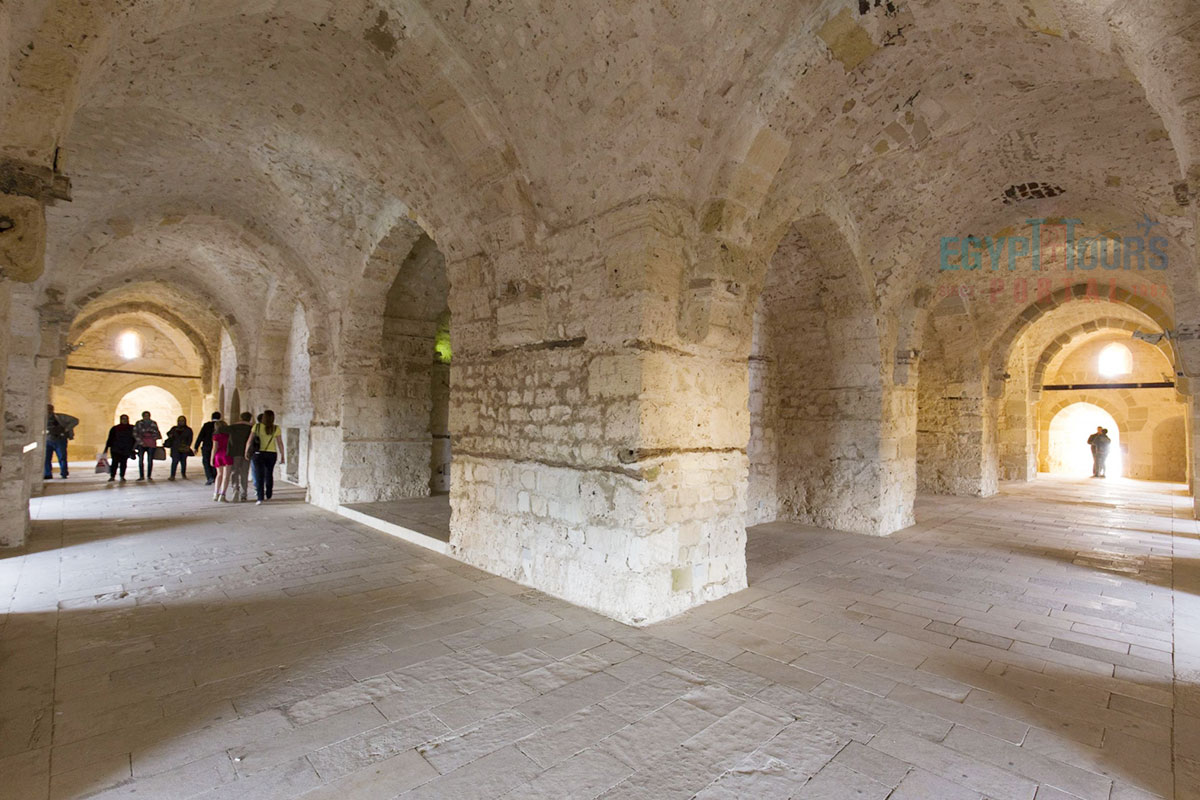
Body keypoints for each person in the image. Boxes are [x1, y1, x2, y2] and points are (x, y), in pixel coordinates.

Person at [247, 409, 285, 505]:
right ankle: (269, 494)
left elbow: (249, 440)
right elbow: (280, 443)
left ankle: (260, 497)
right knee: (269, 473)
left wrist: (246, 451)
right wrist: (283, 455)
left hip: (258, 453)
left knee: (259, 475)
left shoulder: (257, 427)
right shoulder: (276, 428)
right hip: (271, 453)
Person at [226, 412, 254, 502]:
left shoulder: (232, 427)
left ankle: (235, 490)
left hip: (235, 452)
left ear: (240, 418)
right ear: (250, 419)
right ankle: (244, 494)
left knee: (235, 471)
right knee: (244, 473)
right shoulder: (251, 428)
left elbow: (220, 431)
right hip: (246, 453)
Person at [103, 414, 136, 482]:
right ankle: (112, 476)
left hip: (126, 448)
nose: (124, 420)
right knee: (114, 463)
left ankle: (122, 476)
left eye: (126, 419)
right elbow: (110, 438)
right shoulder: (115, 428)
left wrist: (134, 448)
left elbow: (134, 438)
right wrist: (106, 448)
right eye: (123, 419)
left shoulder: (131, 428)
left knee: (123, 463)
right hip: (116, 448)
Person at [43, 403, 71, 479]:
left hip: (59, 440)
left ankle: (64, 472)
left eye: (49, 409)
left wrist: (67, 428)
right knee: (46, 458)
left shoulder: (59, 417)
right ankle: (47, 473)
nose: (48, 411)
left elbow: (75, 421)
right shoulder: (43, 418)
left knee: (62, 457)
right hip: (47, 440)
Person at [193, 412, 222, 485]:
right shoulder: (222, 426)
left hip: (207, 447)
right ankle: (215, 476)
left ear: (211, 417)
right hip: (218, 447)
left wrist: (196, 447)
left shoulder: (207, 425)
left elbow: (200, 436)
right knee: (216, 462)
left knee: (206, 462)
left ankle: (210, 477)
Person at [133, 411, 161, 481]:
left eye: (148, 415)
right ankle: (141, 475)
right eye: (145, 415)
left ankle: (149, 475)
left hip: (151, 443)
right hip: (141, 444)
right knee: (140, 460)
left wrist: (151, 436)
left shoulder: (153, 423)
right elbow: (135, 433)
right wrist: (141, 441)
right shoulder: (139, 423)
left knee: (150, 460)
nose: (146, 417)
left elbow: (156, 432)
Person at [164, 416, 194, 480]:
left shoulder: (188, 430)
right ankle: (172, 475)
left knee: (183, 462)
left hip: (184, 447)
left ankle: (183, 474)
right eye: (180, 421)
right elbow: (168, 434)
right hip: (175, 447)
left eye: (182, 421)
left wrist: (188, 446)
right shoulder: (174, 428)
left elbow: (190, 439)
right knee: (175, 461)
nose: (181, 422)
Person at [211, 420, 233, 502]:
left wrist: (212, 458)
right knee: (226, 476)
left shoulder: (216, 436)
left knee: (219, 474)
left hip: (218, 455)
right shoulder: (229, 435)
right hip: (227, 455)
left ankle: (215, 493)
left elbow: (214, 448)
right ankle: (222, 495)